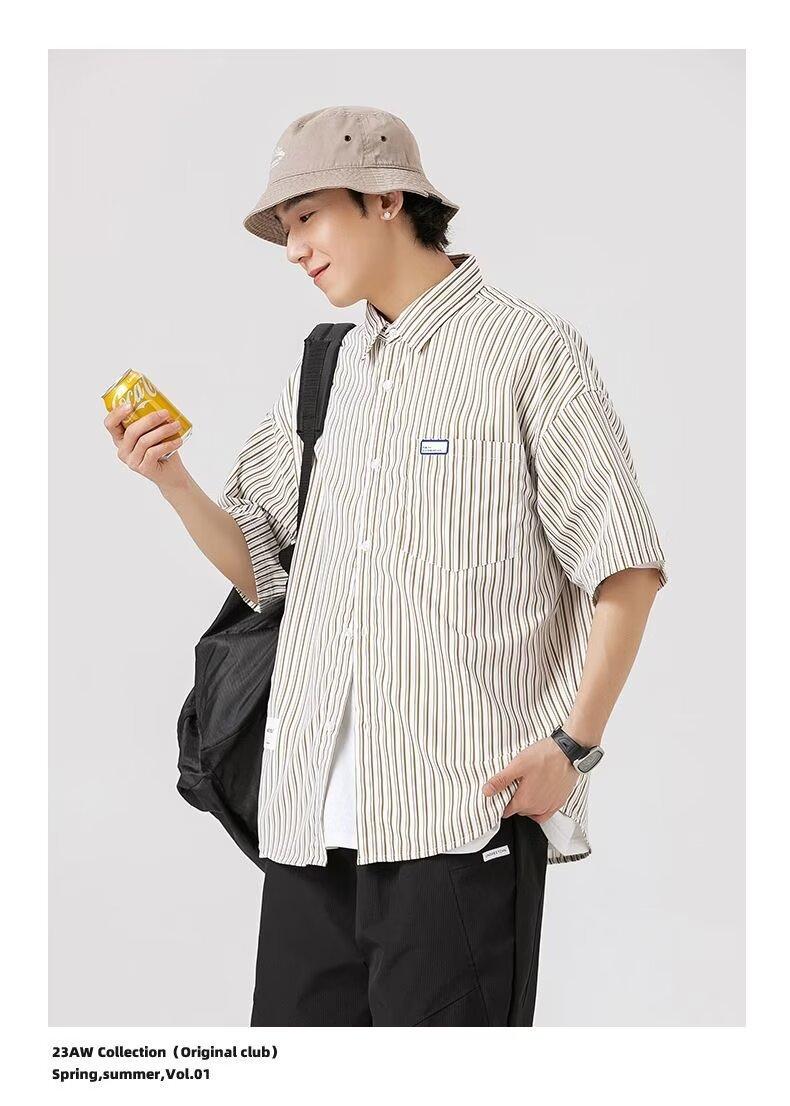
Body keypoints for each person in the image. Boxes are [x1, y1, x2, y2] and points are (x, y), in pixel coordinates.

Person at [103, 105, 669, 1026]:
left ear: (386, 199)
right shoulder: (326, 371)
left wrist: (573, 750)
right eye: (285, 227)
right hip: (306, 837)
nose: (295, 247)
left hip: (459, 827)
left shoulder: (529, 352)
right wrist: (171, 480)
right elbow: (263, 570)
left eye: (307, 216)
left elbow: (624, 567)